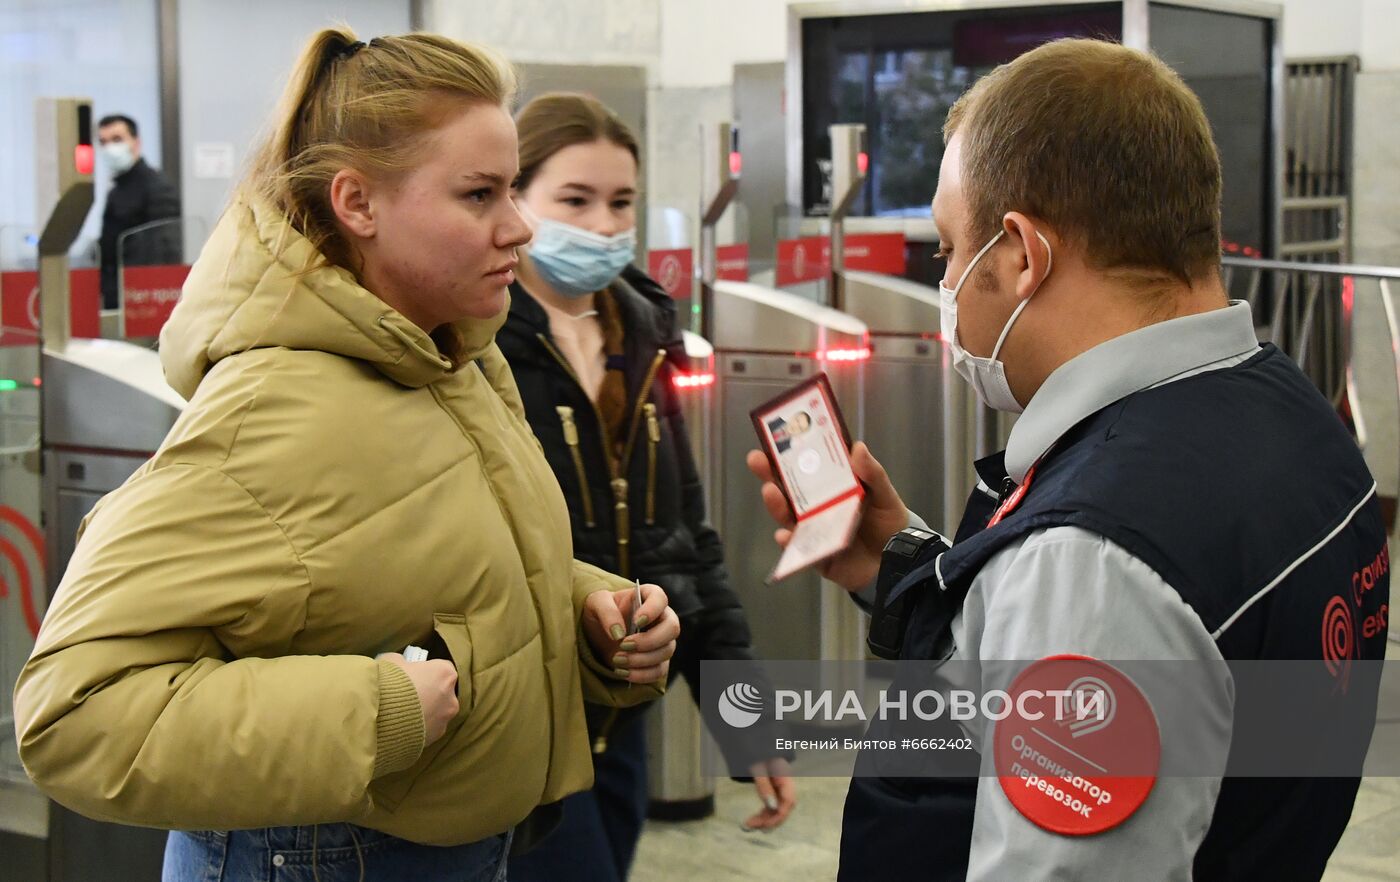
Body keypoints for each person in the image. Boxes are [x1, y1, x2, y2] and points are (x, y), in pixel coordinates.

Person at [14, 30, 679, 882]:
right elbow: (73, 713)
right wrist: (376, 712)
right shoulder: (266, 413)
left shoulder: (452, 360)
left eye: (512, 188)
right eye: (479, 194)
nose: (518, 226)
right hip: (321, 856)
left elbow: (419, 565)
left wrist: (587, 609)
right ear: (358, 203)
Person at [746, 38, 1388, 881]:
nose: (946, 280)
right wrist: (902, 566)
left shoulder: (1092, 563)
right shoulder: (1294, 417)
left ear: (1020, 254)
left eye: (948, 248)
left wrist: (1046, 577)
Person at [498, 92, 795, 882]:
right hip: (523, 723)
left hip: (624, 715)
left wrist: (745, 721)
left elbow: (684, 540)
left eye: (621, 201)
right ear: (512, 199)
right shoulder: (477, 345)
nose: (603, 225)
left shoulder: (644, 336)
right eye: (574, 200)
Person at [96, 113, 181, 309]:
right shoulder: (116, 189)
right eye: (103, 142)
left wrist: (140, 297)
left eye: (117, 139)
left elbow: (162, 253)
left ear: (136, 142)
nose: (109, 148)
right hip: (115, 295)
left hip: (142, 299)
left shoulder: (157, 187)